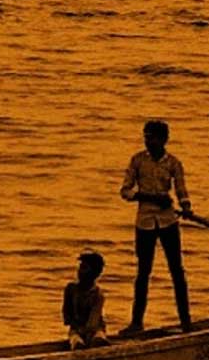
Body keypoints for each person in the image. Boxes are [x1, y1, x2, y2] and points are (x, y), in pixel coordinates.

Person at [118, 119, 193, 335]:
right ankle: (136, 323)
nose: (147, 140)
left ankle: (186, 321)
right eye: (145, 136)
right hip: (145, 223)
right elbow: (125, 191)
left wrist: (186, 206)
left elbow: (181, 190)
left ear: (163, 139)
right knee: (143, 273)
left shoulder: (174, 163)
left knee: (177, 271)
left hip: (168, 221)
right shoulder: (137, 161)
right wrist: (147, 196)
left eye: (151, 137)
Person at [63, 250, 108, 348]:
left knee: (98, 339)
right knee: (76, 341)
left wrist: (87, 332)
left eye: (84, 268)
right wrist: (76, 326)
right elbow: (66, 316)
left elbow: (93, 322)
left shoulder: (97, 294)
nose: (79, 271)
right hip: (76, 329)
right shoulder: (71, 289)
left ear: (94, 273)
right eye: (80, 267)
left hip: (95, 329)